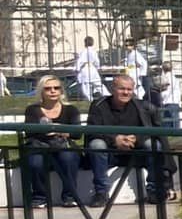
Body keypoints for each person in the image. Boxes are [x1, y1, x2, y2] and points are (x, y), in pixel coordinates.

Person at [87, 70, 169, 205]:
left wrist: (136, 139)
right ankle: (101, 192)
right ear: (112, 89)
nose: (126, 93)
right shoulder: (98, 106)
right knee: (96, 144)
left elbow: (150, 130)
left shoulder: (142, 106)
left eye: (129, 89)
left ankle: (154, 190)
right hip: (109, 152)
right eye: (122, 89)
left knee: (153, 145)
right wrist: (115, 140)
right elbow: (92, 131)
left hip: (136, 151)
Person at [21, 73, 84, 208]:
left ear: (61, 91)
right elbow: (30, 132)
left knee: (68, 158)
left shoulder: (71, 110)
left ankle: (70, 196)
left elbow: (77, 133)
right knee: (35, 162)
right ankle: (39, 197)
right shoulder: (32, 110)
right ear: (41, 91)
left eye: (56, 88)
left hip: (63, 146)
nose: (53, 91)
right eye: (48, 88)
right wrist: (53, 130)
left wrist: (59, 130)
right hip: (39, 147)